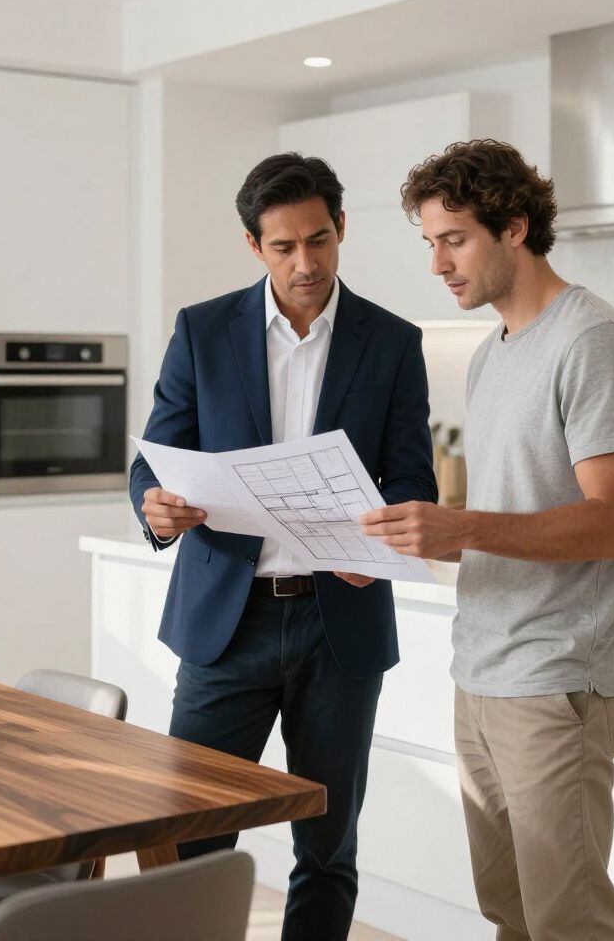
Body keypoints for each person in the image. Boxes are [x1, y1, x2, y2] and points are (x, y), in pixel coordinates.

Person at [129, 152, 437, 941]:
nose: (306, 263)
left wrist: (382, 549)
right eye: (284, 247)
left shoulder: (394, 341)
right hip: (225, 625)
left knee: (328, 847)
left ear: (341, 232)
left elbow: (412, 482)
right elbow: (154, 458)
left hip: (342, 625)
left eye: (321, 241)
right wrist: (155, 506)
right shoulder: (202, 331)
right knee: (190, 837)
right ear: (253, 246)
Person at [362, 139, 614, 941]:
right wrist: (404, 544)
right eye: (430, 243)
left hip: (556, 677)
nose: (438, 264)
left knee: (570, 921)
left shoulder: (590, 340)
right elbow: (506, 522)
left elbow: (612, 521)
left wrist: (460, 525)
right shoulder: (491, 355)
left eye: (453, 239)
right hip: (482, 671)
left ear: (515, 228)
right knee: (512, 914)